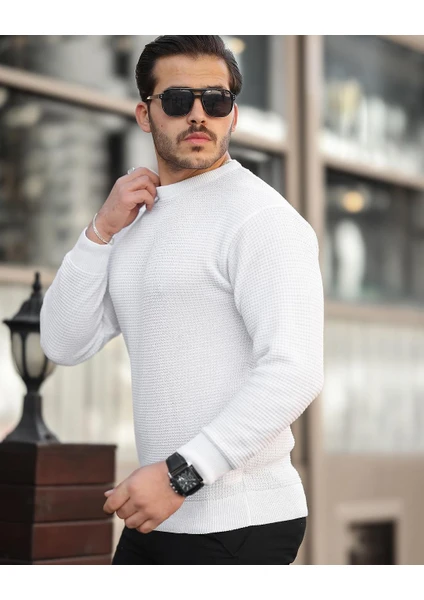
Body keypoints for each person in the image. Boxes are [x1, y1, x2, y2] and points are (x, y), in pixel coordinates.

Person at [40, 35, 324, 565]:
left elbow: (295, 370)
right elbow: (62, 342)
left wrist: (180, 475)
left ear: (232, 115)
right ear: (145, 115)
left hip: (240, 520)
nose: (198, 114)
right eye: (176, 100)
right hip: (161, 512)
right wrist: (100, 232)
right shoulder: (135, 219)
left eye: (215, 100)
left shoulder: (263, 221)